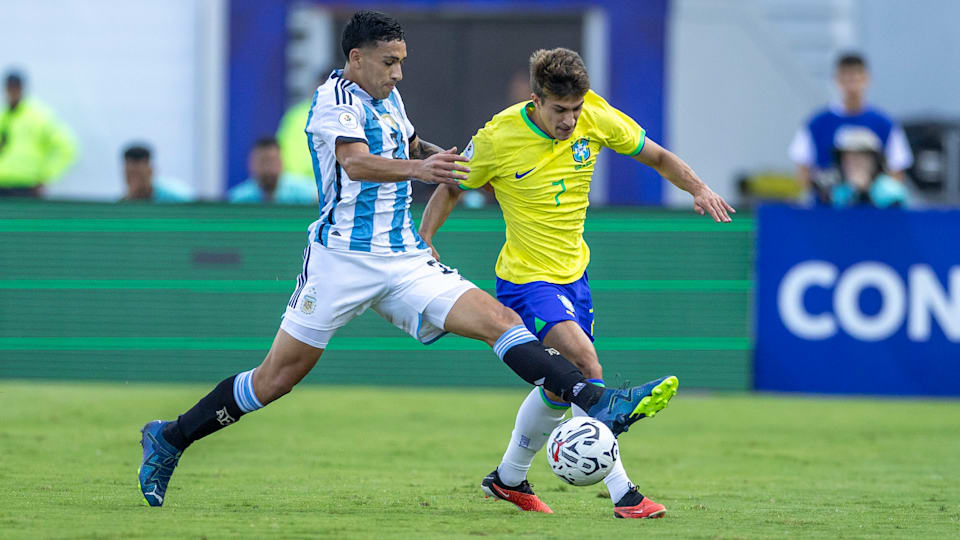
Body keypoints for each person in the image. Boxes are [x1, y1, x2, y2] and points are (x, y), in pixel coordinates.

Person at [138, 11, 677, 508]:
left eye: (401, 62)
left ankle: (592, 399)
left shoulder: (388, 99)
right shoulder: (335, 101)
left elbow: (413, 144)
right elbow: (355, 164)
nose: (398, 73)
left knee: (502, 322)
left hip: (402, 257)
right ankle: (171, 437)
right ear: (357, 59)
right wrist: (423, 172)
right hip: (342, 260)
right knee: (275, 379)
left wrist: (459, 162)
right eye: (389, 61)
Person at [419, 47, 734, 519]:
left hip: (575, 277)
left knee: (555, 389)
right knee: (587, 366)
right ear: (536, 99)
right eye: (559, 110)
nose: (569, 120)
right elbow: (451, 187)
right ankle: (624, 494)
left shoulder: (597, 115)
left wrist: (699, 188)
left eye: (575, 109)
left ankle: (507, 479)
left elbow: (658, 156)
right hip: (527, 281)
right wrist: (424, 239)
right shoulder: (497, 136)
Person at [789, 53, 913, 205]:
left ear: (866, 79)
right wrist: (827, 189)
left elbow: (897, 172)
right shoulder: (816, 124)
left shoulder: (884, 123)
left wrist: (873, 190)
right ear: (837, 80)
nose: (852, 85)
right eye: (846, 77)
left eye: (856, 77)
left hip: (873, 214)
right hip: (826, 214)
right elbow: (802, 173)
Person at [0, 70, 76, 197]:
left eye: (15, 87)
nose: (12, 92)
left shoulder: (39, 117)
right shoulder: (4, 117)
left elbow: (67, 148)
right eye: (9, 87)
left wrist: (45, 176)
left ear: (22, 88)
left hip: (26, 187)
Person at [830, 127, 908, 208]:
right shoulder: (840, 191)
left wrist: (863, 192)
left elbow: (889, 218)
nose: (852, 164)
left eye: (859, 158)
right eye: (847, 159)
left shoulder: (891, 189)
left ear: (874, 161)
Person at [228, 136, 317, 204]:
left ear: (282, 162)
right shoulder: (238, 199)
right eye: (263, 162)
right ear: (251, 164)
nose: (268, 168)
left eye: (272, 161)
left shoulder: (308, 193)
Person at [120, 144, 194, 203]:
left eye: (139, 175)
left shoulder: (175, 197)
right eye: (131, 175)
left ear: (151, 170)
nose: (136, 182)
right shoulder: (126, 202)